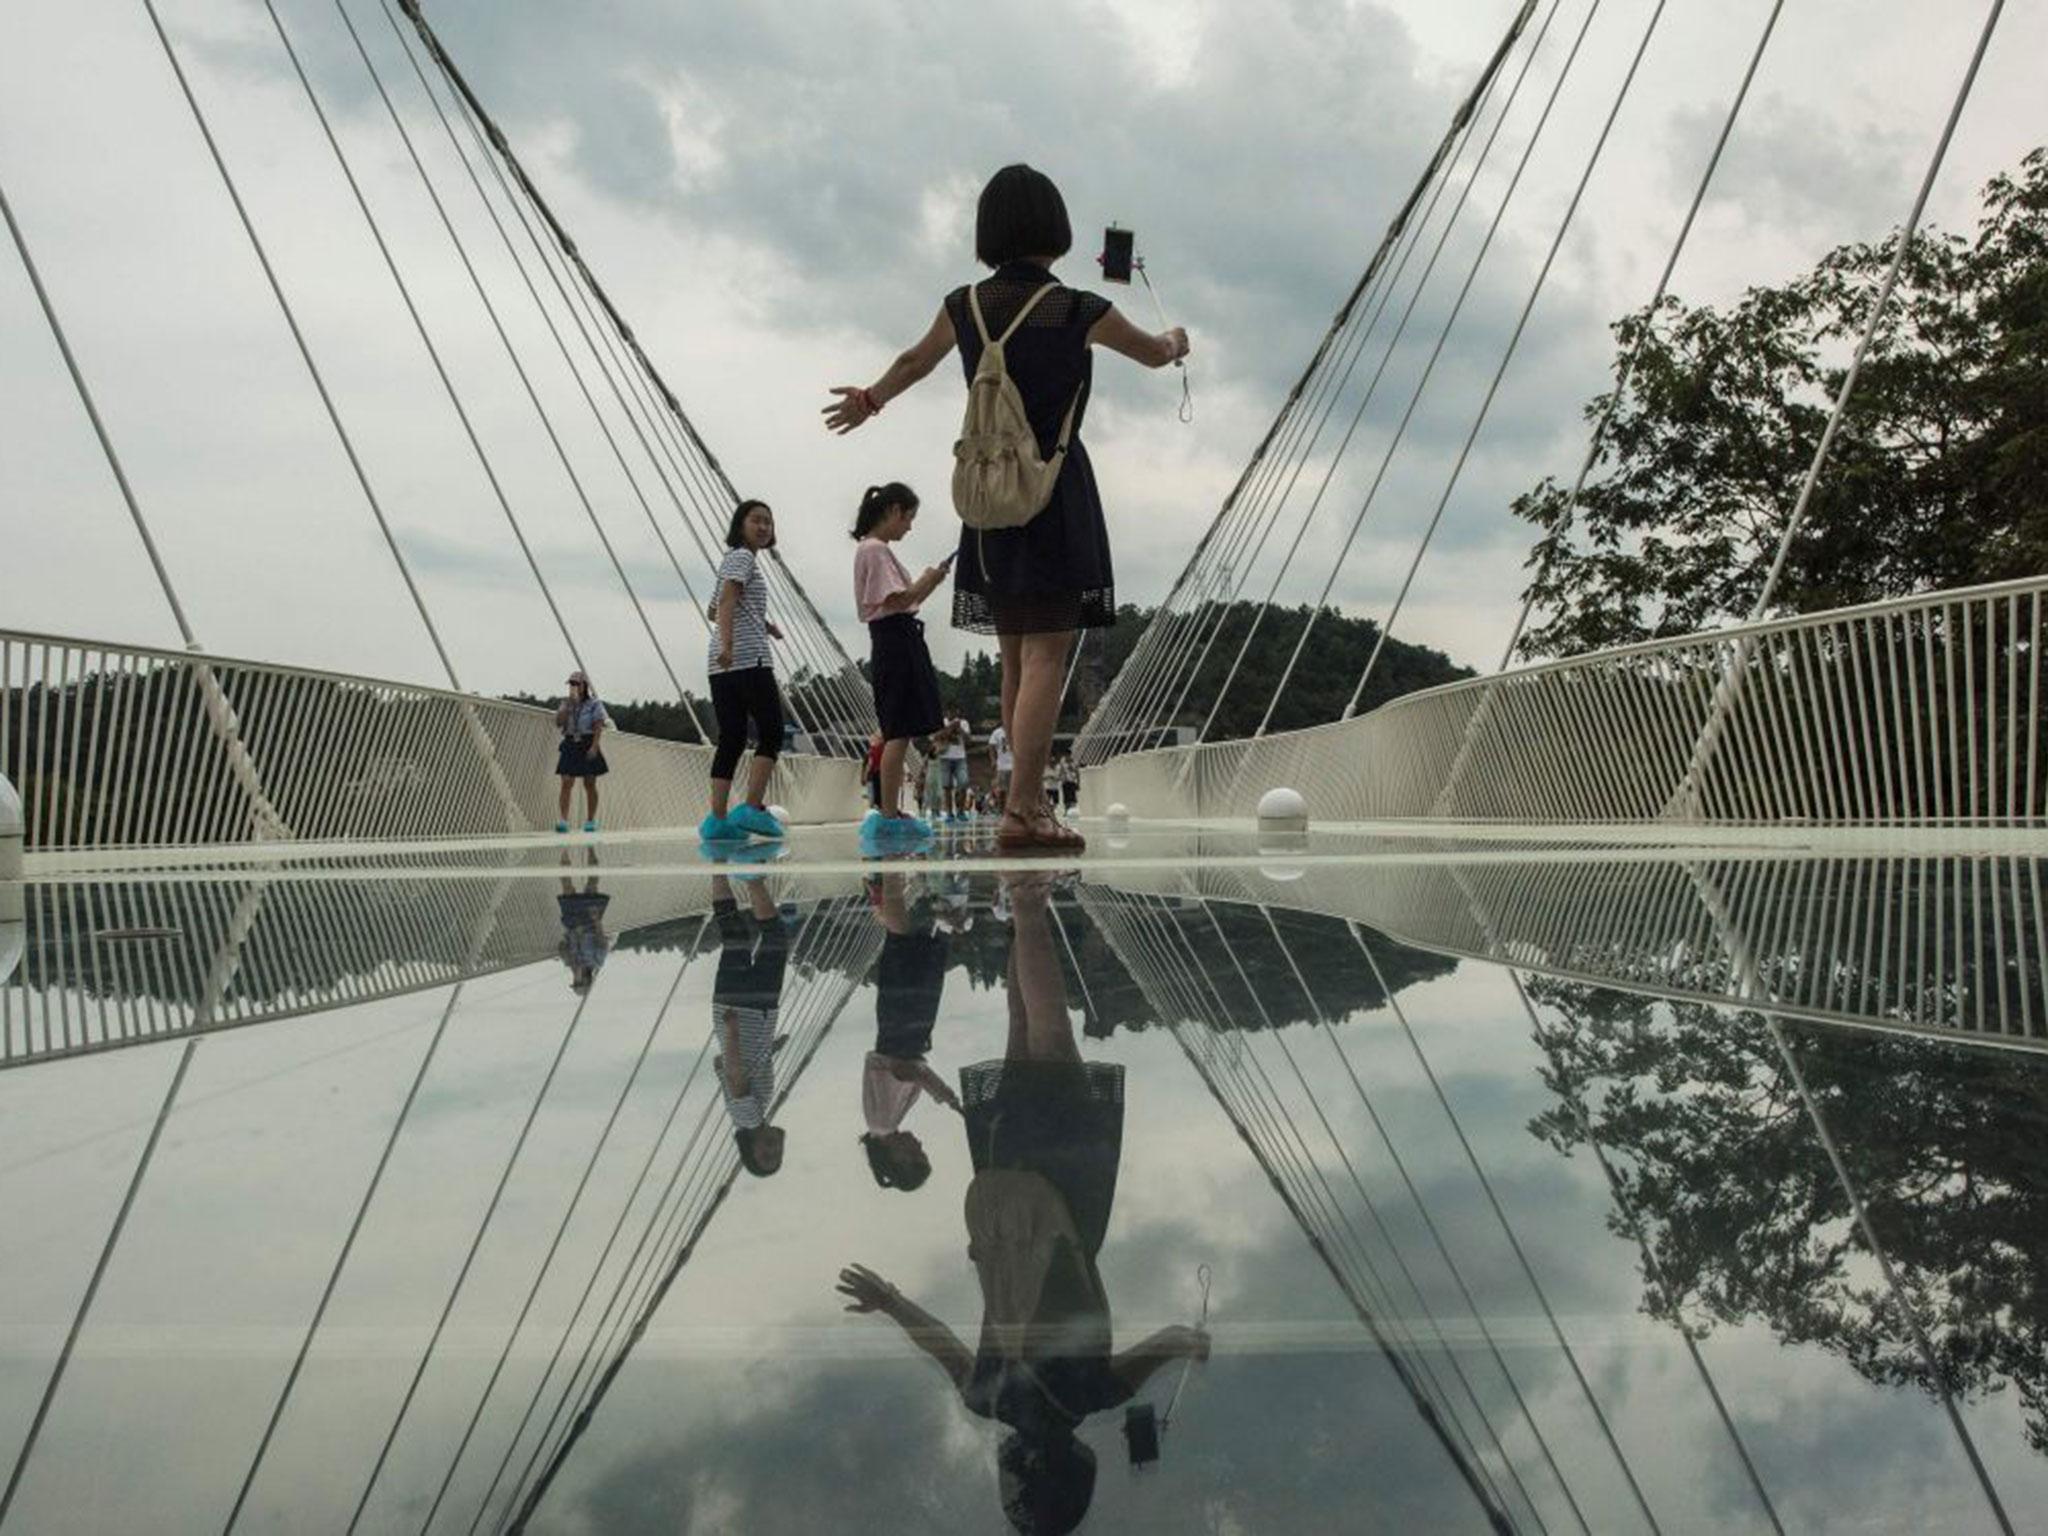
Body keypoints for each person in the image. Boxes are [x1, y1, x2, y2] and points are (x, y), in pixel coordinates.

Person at [824, 163, 1189, 853]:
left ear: (989, 231)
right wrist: (1177, 343)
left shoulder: (965, 305)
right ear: (1055, 228)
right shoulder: (1078, 308)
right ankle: (1026, 811)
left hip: (988, 495)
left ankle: (1018, 800)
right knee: (1050, 649)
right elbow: (1152, 352)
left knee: (1018, 653)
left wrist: (868, 401)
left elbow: (914, 360)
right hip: (1052, 486)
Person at [837, 872, 1208, 1535]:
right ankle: (1016, 915)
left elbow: (1179, 1339)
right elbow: (939, 1345)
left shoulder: (1095, 1394)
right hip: (1002, 1194)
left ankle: (1030, 904)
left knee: (1052, 1037)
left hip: (1064, 1192)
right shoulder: (989, 1401)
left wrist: (1194, 1352)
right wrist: (889, 1299)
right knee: (1019, 1032)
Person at [853, 482, 952, 842]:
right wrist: (928, 579)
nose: (909, 526)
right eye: (909, 517)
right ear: (894, 511)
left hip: (893, 637)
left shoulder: (872, 550)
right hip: (897, 640)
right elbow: (898, 601)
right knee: (897, 730)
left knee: (901, 727)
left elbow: (904, 600)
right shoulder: (876, 550)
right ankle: (889, 815)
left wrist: (932, 581)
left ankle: (889, 812)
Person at [860, 873, 963, 1191]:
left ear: (897, 1159)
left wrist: (944, 1096)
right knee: (922, 954)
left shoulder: (883, 1122)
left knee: (903, 944)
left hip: (901, 1030)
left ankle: (892, 869)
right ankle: (893, 887)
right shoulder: (886, 1123)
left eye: (916, 1154)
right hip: (904, 1031)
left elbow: (903, 1070)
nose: (919, 1146)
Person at [704, 499, 788, 844]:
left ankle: (718, 819)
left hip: (719, 665)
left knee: (733, 738)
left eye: (768, 522)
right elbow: (725, 603)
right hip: (746, 659)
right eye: (756, 520)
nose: (764, 527)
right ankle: (752, 807)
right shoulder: (742, 557)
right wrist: (730, 645)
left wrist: (762, 624)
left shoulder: (730, 561)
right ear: (740, 525)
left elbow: (715, 608)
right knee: (772, 728)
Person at [711, 871, 792, 1177]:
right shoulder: (742, 1117)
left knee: (775, 941)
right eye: (777, 1155)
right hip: (730, 1007)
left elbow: (734, 1074)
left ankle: (751, 878)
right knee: (734, 937)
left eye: (766, 1155)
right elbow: (720, 1064)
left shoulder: (750, 1119)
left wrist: (733, 1032)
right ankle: (718, 866)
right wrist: (769, 1048)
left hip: (750, 1010)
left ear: (750, 1149)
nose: (774, 1149)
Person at [554, 670, 609, 833]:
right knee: (566, 781)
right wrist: (567, 706)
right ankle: (563, 820)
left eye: (576, 683)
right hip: (571, 741)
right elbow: (558, 722)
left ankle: (591, 820)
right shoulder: (565, 703)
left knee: (590, 782)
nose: (573, 686)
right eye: (571, 683)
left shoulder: (594, 704)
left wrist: (594, 746)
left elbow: (598, 725)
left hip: (587, 741)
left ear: (584, 685)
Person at [556, 848, 610, 992]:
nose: (576, 979)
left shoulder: (570, 962)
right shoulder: (597, 961)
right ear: (587, 980)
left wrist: (572, 964)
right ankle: (591, 849)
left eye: (575, 981)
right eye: (579, 982)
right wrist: (597, 920)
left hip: (572, 921)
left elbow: (561, 945)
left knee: (566, 885)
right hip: (589, 921)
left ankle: (564, 850)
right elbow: (602, 941)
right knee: (592, 884)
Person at [933, 712, 972, 822]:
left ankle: (961, 811)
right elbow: (935, 737)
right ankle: (950, 813)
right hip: (945, 757)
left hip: (960, 757)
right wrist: (949, 728)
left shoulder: (963, 723)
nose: (953, 714)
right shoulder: (942, 722)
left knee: (963, 782)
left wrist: (960, 730)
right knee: (947, 786)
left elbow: (969, 739)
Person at [989, 721, 1014, 806]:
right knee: (1001, 790)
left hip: (1015, 765)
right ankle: (1001, 810)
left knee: (1013, 790)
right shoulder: (997, 732)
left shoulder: (1016, 730)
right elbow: (991, 745)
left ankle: (1011, 809)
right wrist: (993, 760)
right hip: (1002, 765)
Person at [865, 731, 886, 811]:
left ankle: (875, 810)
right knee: (881, 793)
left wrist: (865, 774)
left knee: (873, 793)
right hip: (883, 773)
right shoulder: (885, 749)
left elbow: (870, 763)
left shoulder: (873, 750)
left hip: (875, 773)